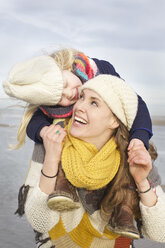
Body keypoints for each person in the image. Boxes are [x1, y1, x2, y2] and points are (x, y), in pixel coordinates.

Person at [3, 48, 153, 239]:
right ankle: (62, 184)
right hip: (62, 229)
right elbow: (35, 121)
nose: (70, 95)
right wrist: (45, 132)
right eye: (61, 98)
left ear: (63, 66)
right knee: (57, 127)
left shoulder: (100, 69)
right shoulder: (53, 107)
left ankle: (124, 205)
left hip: (113, 137)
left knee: (128, 144)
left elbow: (133, 102)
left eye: (65, 83)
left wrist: (139, 139)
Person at [20, 74, 165, 248]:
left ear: (114, 120)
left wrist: (142, 182)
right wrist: (51, 160)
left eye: (94, 103)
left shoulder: (136, 154)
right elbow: (40, 223)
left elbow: (160, 233)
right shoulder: (52, 140)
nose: (79, 106)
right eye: (81, 97)